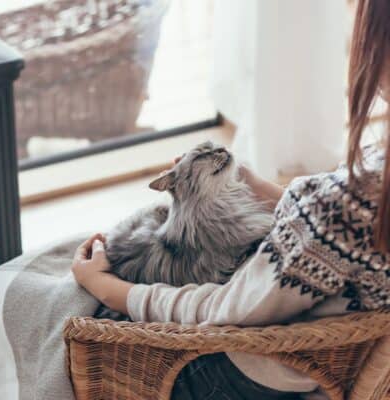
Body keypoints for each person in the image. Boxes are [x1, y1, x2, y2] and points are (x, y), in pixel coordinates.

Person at [71, 0, 390, 398]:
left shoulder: (340, 206)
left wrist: (105, 288)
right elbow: (340, 234)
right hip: (348, 360)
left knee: (69, 311)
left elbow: (223, 311)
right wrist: (261, 187)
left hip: (258, 374)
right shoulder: (365, 187)